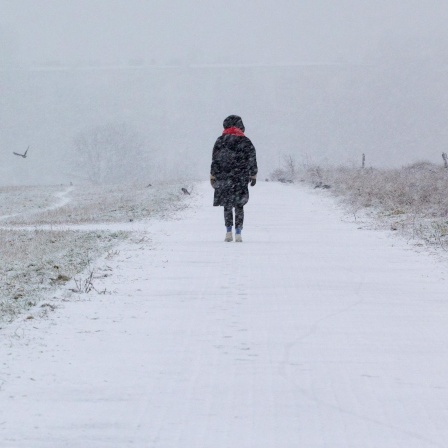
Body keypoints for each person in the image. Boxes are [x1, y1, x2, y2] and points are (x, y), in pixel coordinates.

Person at [210, 115, 258, 242]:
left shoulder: (220, 141)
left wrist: (213, 175)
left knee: (227, 204)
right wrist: (253, 174)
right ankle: (238, 233)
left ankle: (228, 232)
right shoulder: (246, 141)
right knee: (239, 205)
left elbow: (215, 159)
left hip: (224, 177)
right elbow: (252, 158)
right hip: (240, 177)